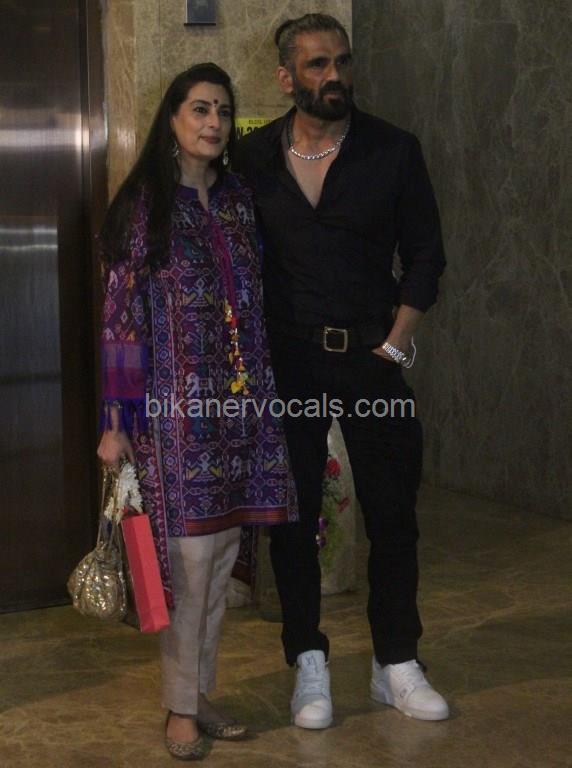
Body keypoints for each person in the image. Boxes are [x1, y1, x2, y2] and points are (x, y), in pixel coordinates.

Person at [233, 14, 449, 729]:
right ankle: (308, 662)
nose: (335, 76)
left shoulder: (392, 150)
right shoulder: (252, 157)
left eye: (342, 62)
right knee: (293, 518)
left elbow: (426, 256)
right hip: (288, 362)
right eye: (318, 64)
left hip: (370, 358)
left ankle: (396, 663)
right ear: (286, 78)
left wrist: (396, 344)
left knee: (393, 513)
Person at [97, 63, 297, 760]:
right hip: (173, 420)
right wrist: (116, 422)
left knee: (219, 565)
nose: (214, 123)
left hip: (241, 413)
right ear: (173, 118)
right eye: (200, 109)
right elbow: (120, 318)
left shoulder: (240, 200)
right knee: (187, 566)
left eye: (223, 111)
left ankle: (199, 693)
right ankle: (180, 709)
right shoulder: (143, 205)